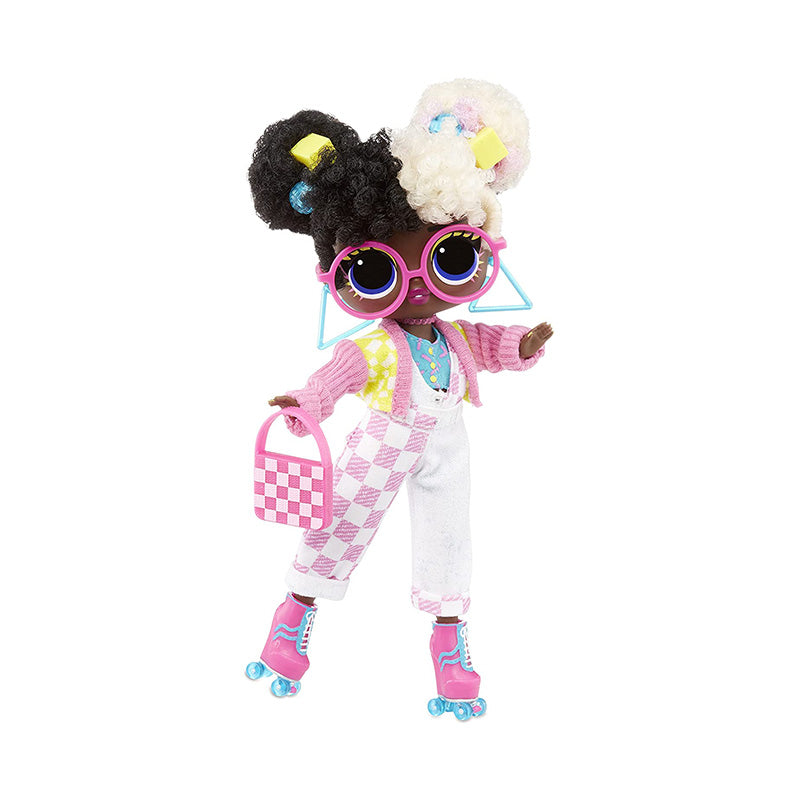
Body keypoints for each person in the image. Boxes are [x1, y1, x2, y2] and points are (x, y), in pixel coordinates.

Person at [245, 79, 553, 720]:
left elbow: (486, 344)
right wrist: (306, 404)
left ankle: (449, 641)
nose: (416, 286)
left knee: (450, 540)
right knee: (340, 519)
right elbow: (336, 376)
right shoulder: (378, 347)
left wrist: (522, 345)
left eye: (452, 258)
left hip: (447, 447)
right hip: (383, 443)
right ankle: (291, 618)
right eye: (373, 272)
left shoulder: (452, 336)